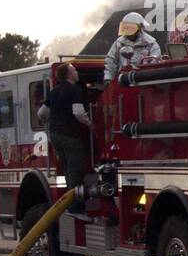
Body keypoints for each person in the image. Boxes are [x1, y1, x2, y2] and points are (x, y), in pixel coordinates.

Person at [36, 64, 91, 215]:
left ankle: (68, 203)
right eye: (74, 70)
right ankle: (76, 208)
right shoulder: (75, 90)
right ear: (69, 74)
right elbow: (78, 112)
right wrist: (90, 124)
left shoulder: (54, 92)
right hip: (70, 136)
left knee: (67, 170)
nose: (77, 72)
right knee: (76, 172)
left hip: (56, 136)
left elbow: (41, 113)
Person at [104, 12, 162, 81]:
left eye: (131, 28)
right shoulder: (119, 42)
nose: (127, 32)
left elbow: (154, 66)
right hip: (122, 81)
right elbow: (111, 61)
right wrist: (108, 78)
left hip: (143, 83)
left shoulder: (151, 44)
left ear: (139, 29)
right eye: (125, 28)